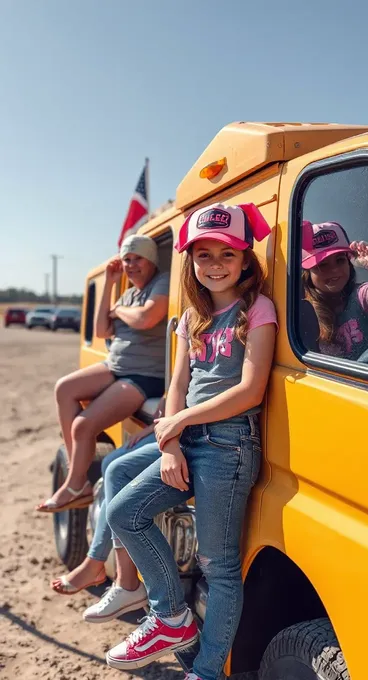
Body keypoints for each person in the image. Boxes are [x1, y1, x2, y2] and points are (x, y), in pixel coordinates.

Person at [105, 202, 277, 679]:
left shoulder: (256, 308)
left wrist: (178, 425)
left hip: (230, 445)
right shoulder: (190, 317)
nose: (216, 265)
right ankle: (173, 617)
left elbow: (250, 390)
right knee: (123, 511)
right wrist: (171, 444)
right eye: (204, 255)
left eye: (227, 254)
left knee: (217, 565)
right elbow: (177, 386)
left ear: (246, 259)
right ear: (190, 262)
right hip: (188, 439)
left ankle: (204, 671)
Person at [36, 234, 169, 513]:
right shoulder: (129, 294)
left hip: (145, 374)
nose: (131, 265)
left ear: (152, 260)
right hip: (117, 366)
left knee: (82, 426)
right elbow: (101, 330)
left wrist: (119, 310)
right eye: (126, 260)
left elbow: (147, 318)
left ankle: (75, 486)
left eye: (137, 259)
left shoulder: (162, 282)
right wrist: (109, 282)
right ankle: (77, 476)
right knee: (64, 388)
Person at [50, 399, 164, 623]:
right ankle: (103, 567)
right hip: (174, 416)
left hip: (192, 425)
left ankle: (110, 571)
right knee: (111, 461)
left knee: (116, 469)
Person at [302, 221, 368, 360]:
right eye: (322, 265)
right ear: (308, 273)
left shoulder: (361, 296)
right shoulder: (305, 314)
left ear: (349, 263)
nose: (334, 269)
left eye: (340, 260)